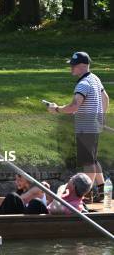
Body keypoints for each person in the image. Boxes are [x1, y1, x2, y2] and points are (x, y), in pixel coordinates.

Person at [47, 52, 109, 202]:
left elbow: (74, 106)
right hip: (93, 126)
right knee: (92, 160)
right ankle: (101, 193)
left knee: (88, 163)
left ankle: (87, 195)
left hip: (85, 129)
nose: (71, 68)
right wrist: (100, 117)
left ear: (82, 66)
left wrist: (56, 109)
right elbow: (105, 98)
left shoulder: (83, 84)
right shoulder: (95, 79)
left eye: (73, 65)